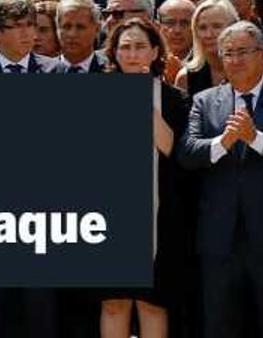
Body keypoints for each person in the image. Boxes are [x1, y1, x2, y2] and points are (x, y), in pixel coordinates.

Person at [180, 21, 263, 338]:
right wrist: (222, 142)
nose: (235, 60)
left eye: (243, 52)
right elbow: (187, 153)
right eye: (228, 53)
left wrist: (256, 138)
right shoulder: (205, 100)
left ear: (262, 54)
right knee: (219, 326)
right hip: (219, 240)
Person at [101, 18, 195, 338]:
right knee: (114, 303)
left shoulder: (175, 99)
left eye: (140, 46)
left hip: (161, 215)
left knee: (153, 304)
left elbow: (174, 150)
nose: (132, 54)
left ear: (155, 52)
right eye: (125, 47)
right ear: (113, 53)